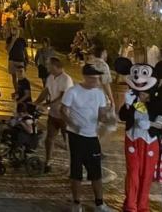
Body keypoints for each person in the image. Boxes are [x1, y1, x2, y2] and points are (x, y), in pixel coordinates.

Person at [60, 64, 114, 212]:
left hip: (92, 136)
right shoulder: (73, 92)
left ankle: (99, 203)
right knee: (76, 171)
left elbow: (101, 113)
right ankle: (76, 203)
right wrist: (72, 123)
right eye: (92, 79)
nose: (95, 82)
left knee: (96, 172)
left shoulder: (99, 93)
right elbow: (62, 110)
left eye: (97, 79)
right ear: (85, 77)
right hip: (76, 136)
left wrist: (106, 118)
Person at [34, 56, 74, 172]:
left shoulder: (66, 79)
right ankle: (48, 162)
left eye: (49, 65)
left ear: (56, 66)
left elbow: (62, 96)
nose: (47, 67)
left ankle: (73, 165)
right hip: (53, 114)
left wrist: (47, 104)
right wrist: (36, 102)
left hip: (65, 115)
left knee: (68, 140)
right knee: (49, 138)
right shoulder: (50, 77)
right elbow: (46, 91)